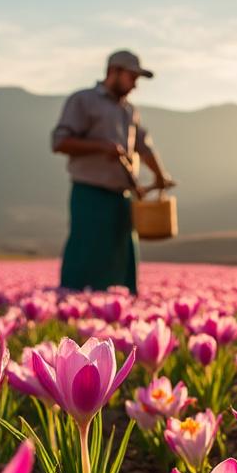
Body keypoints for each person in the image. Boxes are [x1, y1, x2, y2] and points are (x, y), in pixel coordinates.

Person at [51, 49, 175, 294]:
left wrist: (159, 175)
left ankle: (117, 309)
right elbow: (59, 141)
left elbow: (143, 146)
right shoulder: (83, 100)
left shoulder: (128, 110)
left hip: (122, 195)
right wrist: (100, 147)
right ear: (113, 72)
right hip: (90, 192)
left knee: (121, 258)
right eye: (132, 77)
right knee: (86, 253)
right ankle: (73, 303)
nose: (135, 85)